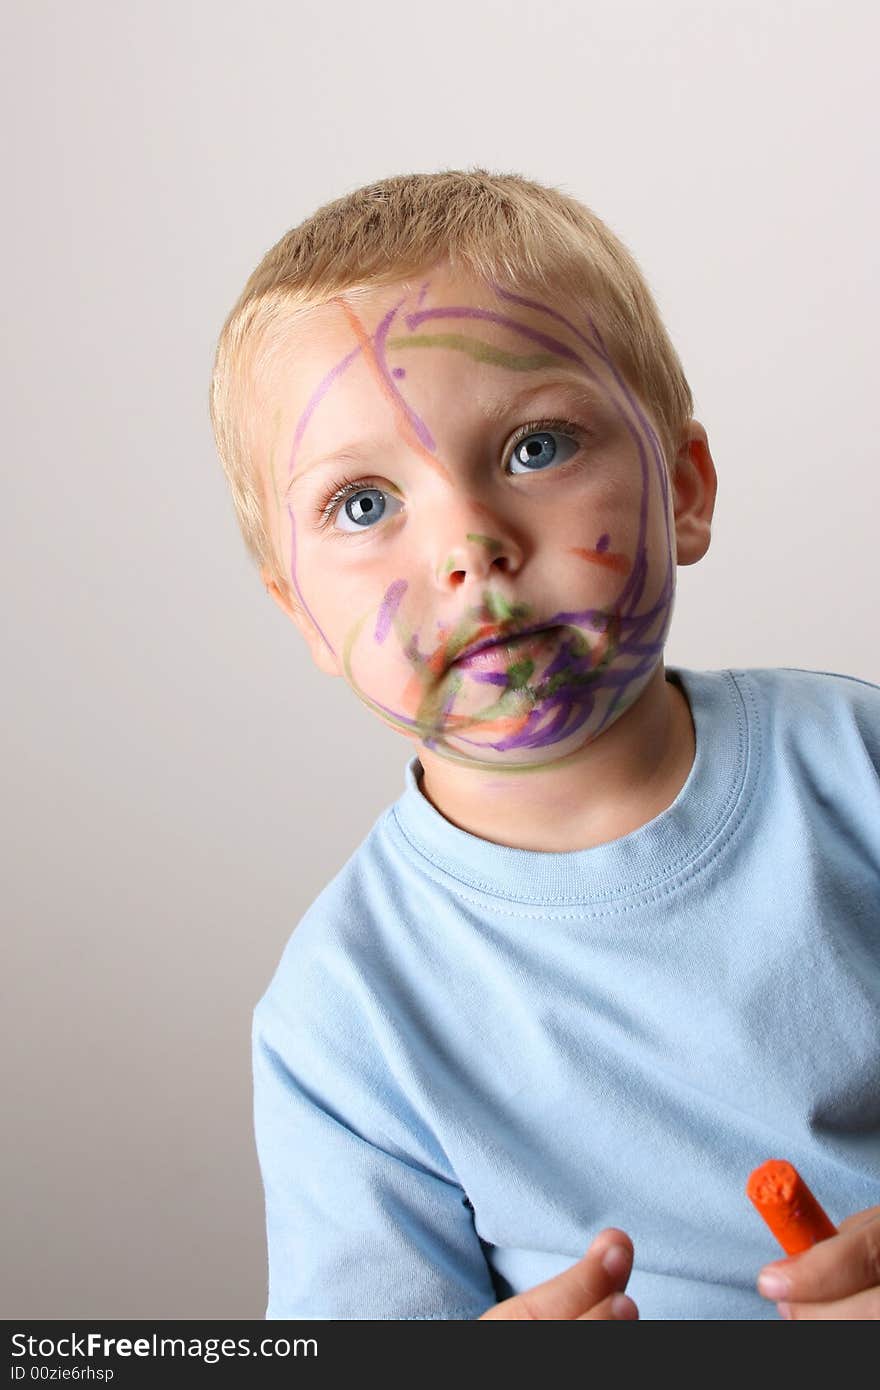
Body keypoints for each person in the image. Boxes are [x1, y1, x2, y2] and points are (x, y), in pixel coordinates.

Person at [208, 169, 880, 1320]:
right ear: (299, 612)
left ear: (683, 488)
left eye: (533, 448)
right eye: (363, 504)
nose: (469, 542)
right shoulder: (345, 1016)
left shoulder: (856, 765)